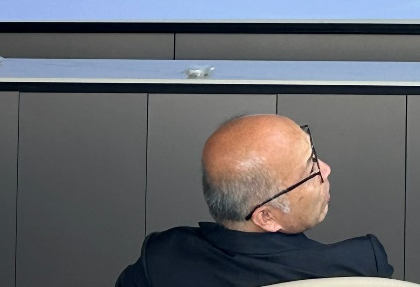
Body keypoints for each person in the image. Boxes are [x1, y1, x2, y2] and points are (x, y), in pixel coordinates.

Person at [116, 113, 392, 287]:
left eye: (313, 154)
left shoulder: (161, 260)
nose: (326, 169)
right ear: (266, 217)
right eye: (311, 169)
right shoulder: (361, 267)